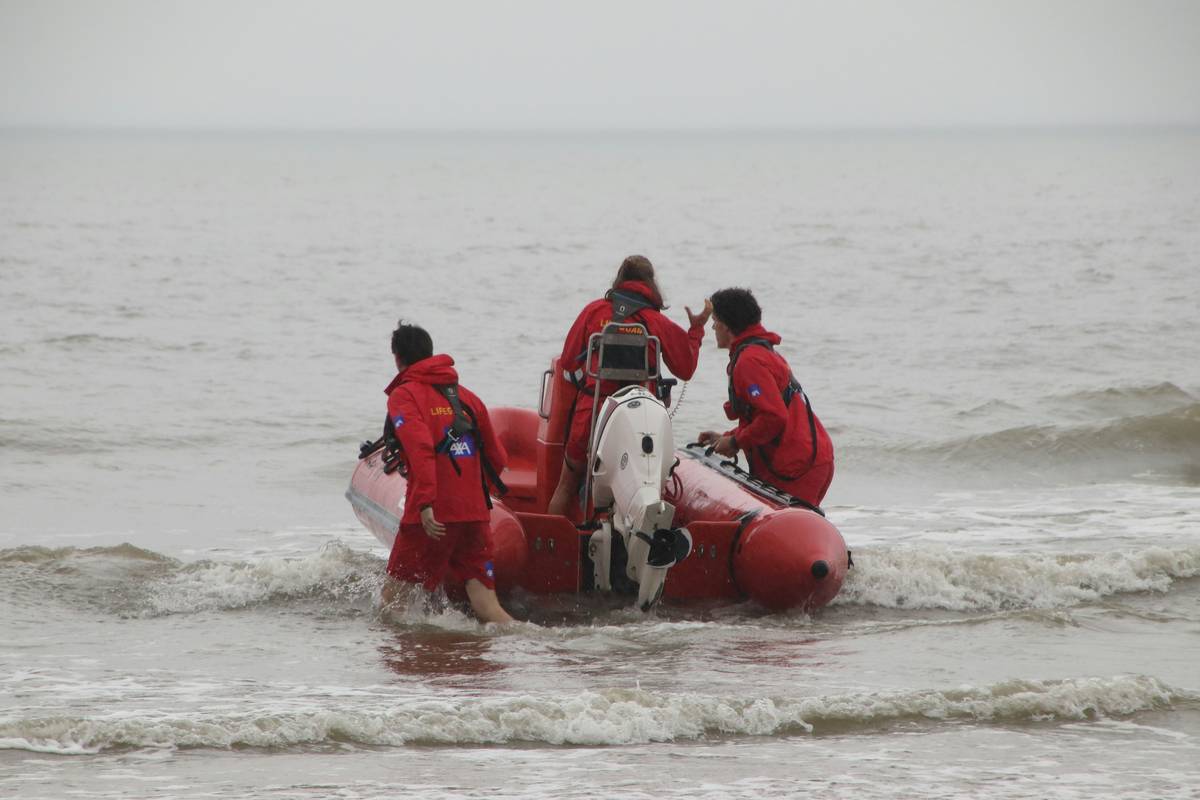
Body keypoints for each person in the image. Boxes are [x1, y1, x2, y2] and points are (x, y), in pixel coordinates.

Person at [547, 255, 710, 517]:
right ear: (651, 283)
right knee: (643, 490)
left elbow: (567, 361)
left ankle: (552, 548)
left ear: (620, 278)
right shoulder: (655, 321)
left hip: (592, 414)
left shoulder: (594, 311)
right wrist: (696, 330)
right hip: (639, 419)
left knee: (565, 487)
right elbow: (685, 368)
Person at [380, 321, 514, 624]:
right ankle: (537, 644)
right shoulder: (467, 397)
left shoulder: (404, 396)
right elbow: (497, 456)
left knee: (391, 606)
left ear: (398, 359)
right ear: (429, 352)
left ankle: (414, 663)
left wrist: (425, 503)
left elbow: (420, 448)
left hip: (431, 516)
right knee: (488, 608)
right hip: (476, 514)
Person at [697, 287, 835, 507]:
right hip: (812, 457)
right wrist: (727, 437)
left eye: (715, 320)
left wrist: (735, 441)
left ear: (726, 324)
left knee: (789, 533)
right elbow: (763, 415)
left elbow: (774, 417)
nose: (713, 326)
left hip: (796, 464)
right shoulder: (759, 352)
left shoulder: (749, 361)